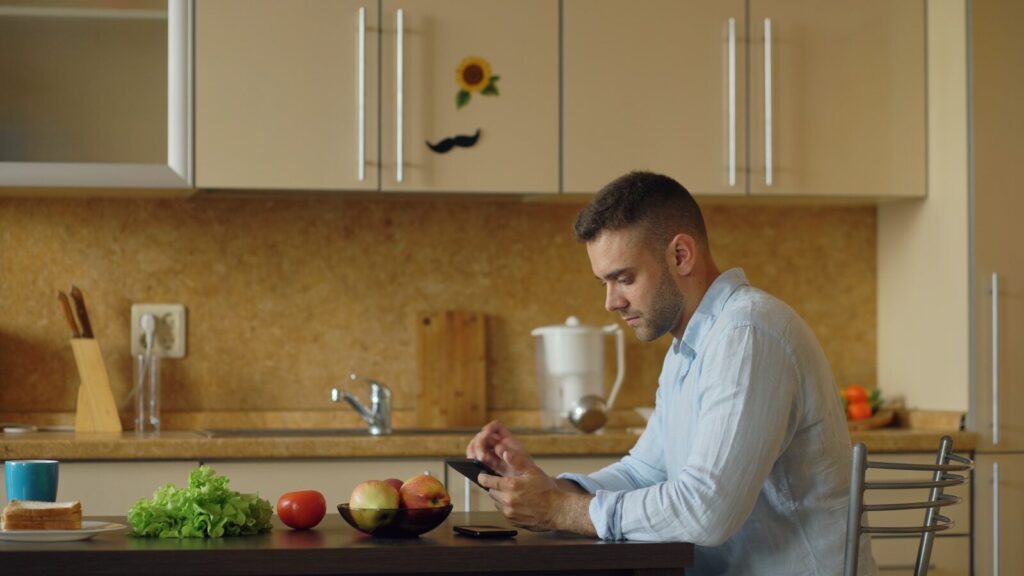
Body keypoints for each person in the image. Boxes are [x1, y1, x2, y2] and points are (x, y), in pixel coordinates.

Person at [467, 171, 875, 575]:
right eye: (603, 283)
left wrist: (562, 511)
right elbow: (645, 471)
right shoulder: (691, 347)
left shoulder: (747, 334)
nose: (611, 302)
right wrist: (547, 489)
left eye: (624, 278)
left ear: (681, 255)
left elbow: (706, 510)